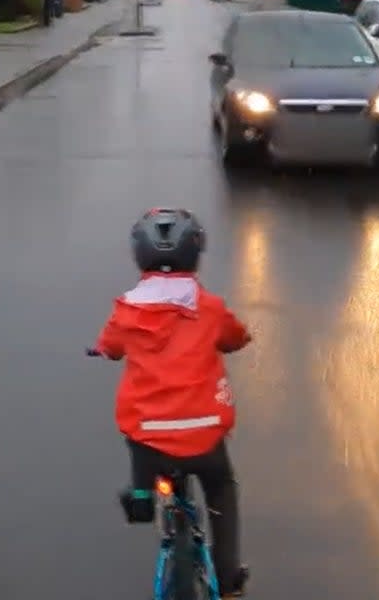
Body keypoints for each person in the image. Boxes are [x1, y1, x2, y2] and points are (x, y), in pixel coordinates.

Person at [94, 208, 252, 597]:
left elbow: (111, 347)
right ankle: (228, 577)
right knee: (220, 488)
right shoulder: (210, 308)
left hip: (150, 438)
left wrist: (102, 349)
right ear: (195, 252)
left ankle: (143, 495)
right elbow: (235, 336)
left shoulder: (126, 310)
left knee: (139, 430)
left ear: (139, 255)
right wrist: (239, 339)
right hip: (205, 435)